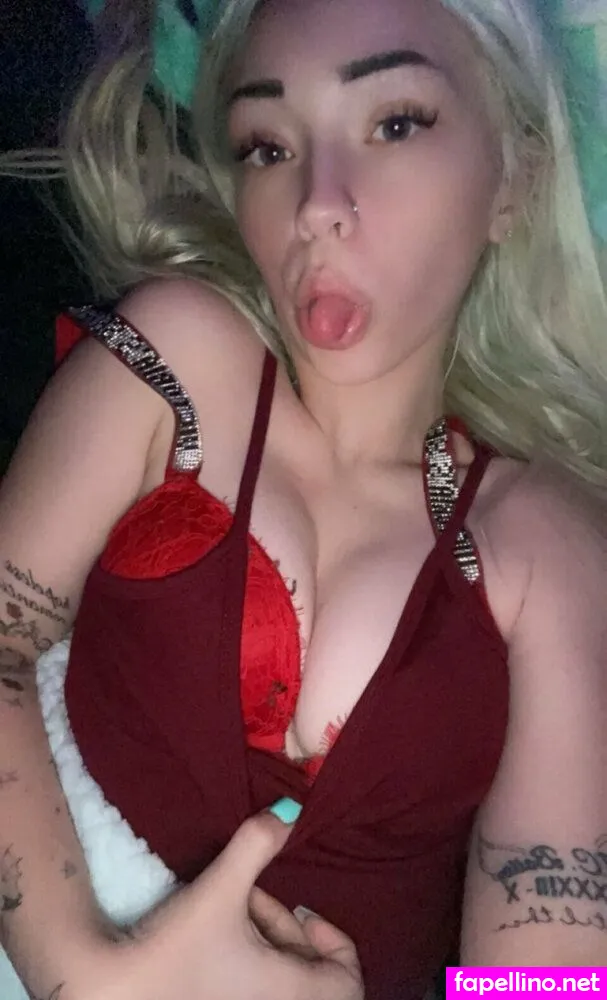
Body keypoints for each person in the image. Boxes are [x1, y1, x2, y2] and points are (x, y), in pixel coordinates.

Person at [0, 0, 606, 997]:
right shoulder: (177, 362)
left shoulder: (548, 540)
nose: (317, 203)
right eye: (268, 146)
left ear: (514, 179)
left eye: (394, 123)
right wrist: (85, 975)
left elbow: (549, 978)